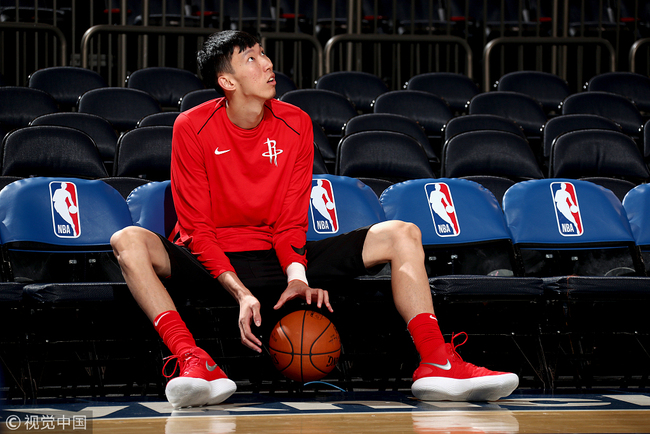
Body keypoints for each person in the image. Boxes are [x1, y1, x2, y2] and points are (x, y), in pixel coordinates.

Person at [110, 30, 519, 408]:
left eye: (264, 54)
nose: (267, 63)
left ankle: (437, 362)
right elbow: (197, 228)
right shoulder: (192, 127)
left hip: (275, 253)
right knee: (127, 240)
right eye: (251, 59)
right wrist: (240, 293)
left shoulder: (296, 123)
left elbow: (290, 220)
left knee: (402, 234)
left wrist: (298, 277)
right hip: (212, 260)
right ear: (227, 82)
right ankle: (194, 360)